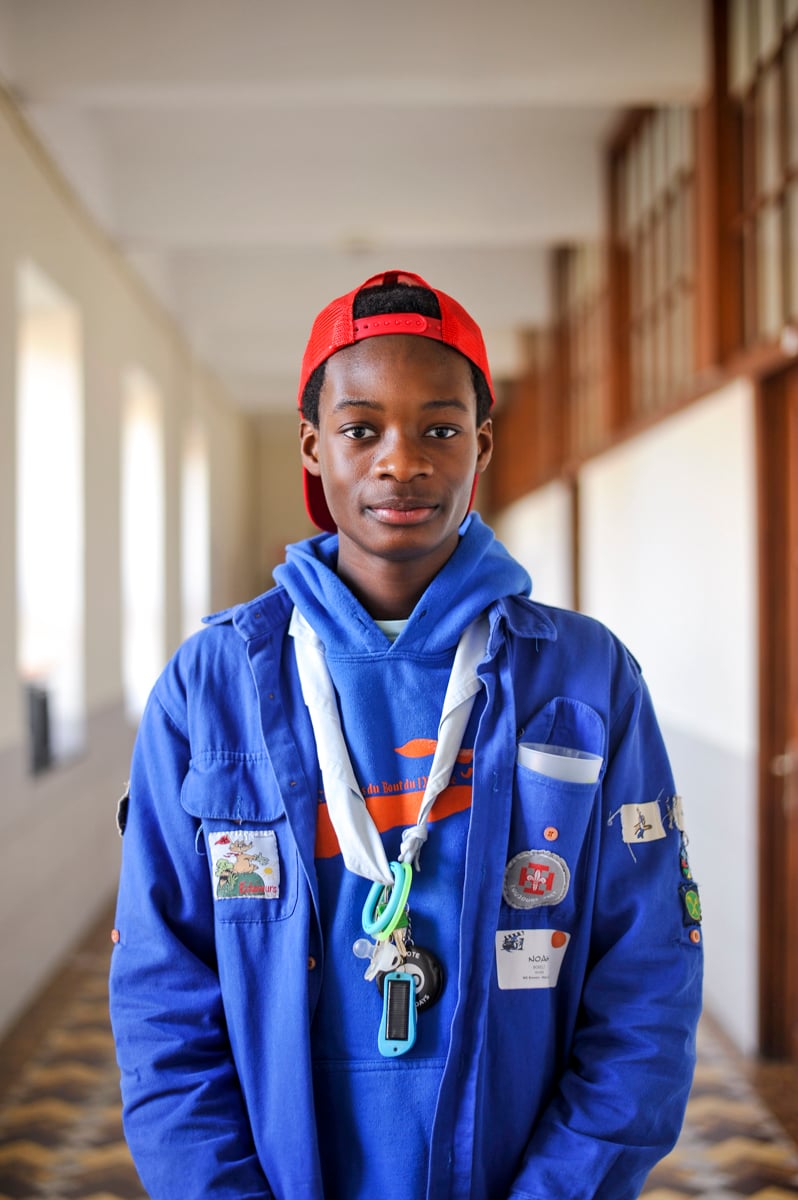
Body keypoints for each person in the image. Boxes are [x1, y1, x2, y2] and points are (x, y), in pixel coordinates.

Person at [109, 269, 703, 1200]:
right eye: (361, 430)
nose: (402, 461)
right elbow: (161, 991)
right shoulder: (210, 686)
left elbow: (648, 977)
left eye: (440, 429)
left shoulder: (587, 679)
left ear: (481, 445)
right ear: (313, 446)